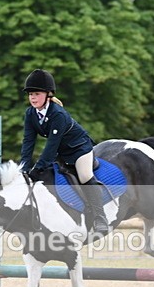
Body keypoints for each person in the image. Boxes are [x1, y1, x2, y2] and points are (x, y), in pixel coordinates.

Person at [19, 69, 109, 234]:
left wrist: (37, 168)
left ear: (48, 94)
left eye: (36, 93)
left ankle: (99, 217)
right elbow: (28, 141)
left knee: (84, 175)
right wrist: (24, 167)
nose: (32, 97)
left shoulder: (58, 114)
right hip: (61, 151)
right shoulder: (30, 113)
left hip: (79, 149)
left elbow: (51, 145)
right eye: (30, 94)